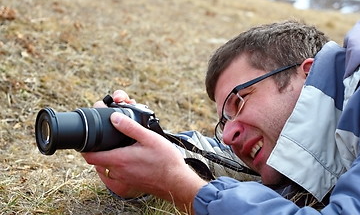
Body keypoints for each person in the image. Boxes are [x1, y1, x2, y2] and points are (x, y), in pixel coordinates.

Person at [82, 20, 360, 214]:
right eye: (224, 123)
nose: (229, 135)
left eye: (240, 101)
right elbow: (220, 161)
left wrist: (183, 187)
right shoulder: (313, 147)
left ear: (308, 72)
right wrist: (136, 145)